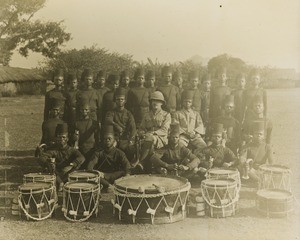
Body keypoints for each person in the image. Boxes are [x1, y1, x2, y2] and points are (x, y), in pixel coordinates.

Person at [38, 123, 85, 191]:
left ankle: (61, 183)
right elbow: (42, 158)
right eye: (59, 137)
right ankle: (60, 182)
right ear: (56, 138)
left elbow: (82, 157)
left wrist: (71, 165)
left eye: (63, 137)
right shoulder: (53, 149)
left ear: (67, 139)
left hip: (68, 173)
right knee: (50, 168)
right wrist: (48, 163)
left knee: (76, 168)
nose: (61, 139)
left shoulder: (71, 150)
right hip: (56, 173)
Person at [87, 125, 131, 191]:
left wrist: (127, 175)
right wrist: (97, 173)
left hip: (115, 176)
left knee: (124, 173)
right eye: (105, 139)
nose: (107, 140)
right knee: (95, 176)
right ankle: (108, 186)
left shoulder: (120, 153)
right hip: (102, 177)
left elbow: (127, 166)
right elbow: (89, 167)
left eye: (109, 139)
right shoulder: (98, 153)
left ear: (114, 141)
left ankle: (110, 186)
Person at [136, 91, 171, 172]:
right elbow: (141, 128)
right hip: (148, 137)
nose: (155, 103)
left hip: (161, 138)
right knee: (146, 140)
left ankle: (142, 162)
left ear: (162, 103)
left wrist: (152, 133)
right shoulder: (146, 114)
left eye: (158, 101)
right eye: (153, 101)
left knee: (150, 139)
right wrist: (142, 133)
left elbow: (164, 130)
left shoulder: (166, 115)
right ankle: (152, 167)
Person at [105, 87, 136, 162]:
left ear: (125, 101)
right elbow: (107, 119)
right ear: (115, 101)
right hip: (115, 138)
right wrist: (116, 125)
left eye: (122, 99)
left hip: (126, 139)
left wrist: (131, 140)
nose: (120, 101)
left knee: (130, 149)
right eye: (118, 99)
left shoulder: (128, 114)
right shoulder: (111, 112)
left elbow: (133, 127)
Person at [72, 101, 100, 169]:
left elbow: (97, 137)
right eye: (82, 109)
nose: (84, 111)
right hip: (81, 150)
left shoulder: (94, 123)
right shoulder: (77, 123)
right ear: (80, 110)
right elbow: (75, 137)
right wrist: (75, 138)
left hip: (92, 149)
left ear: (89, 110)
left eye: (86, 109)